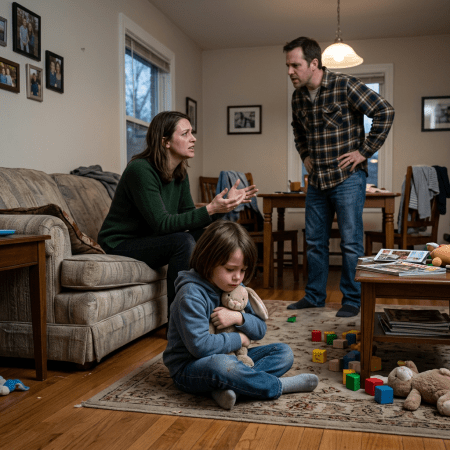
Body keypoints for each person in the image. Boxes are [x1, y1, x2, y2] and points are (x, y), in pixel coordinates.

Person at [98, 111, 258, 319]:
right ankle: (179, 321)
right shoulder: (140, 170)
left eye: (192, 133)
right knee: (182, 242)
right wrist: (211, 208)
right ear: (165, 141)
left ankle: (229, 301)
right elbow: (162, 224)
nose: (193, 138)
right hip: (121, 243)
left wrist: (222, 208)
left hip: (150, 240)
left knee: (210, 236)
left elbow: (188, 217)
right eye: (185, 134)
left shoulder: (179, 172)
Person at [284, 37, 395, 318]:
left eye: (295, 65)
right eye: (287, 65)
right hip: (317, 181)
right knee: (314, 242)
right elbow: (298, 130)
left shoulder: (344, 85)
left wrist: (364, 152)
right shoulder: (297, 97)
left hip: (348, 179)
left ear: (313, 63)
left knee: (350, 242)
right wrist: (304, 155)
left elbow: (385, 110)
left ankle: (352, 299)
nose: (290, 71)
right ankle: (314, 296)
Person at [163, 220, 319, 410]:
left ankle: (227, 388)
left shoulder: (236, 287)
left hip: (232, 359)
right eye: (230, 269)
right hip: (190, 367)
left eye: (243, 270)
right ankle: (276, 386)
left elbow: (261, 329)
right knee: (222, 365)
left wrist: (239, 318)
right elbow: (200, 348)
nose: (238, 277)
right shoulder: (190, 295)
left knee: (283, 353)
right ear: (207, 261)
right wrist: (239, 337)